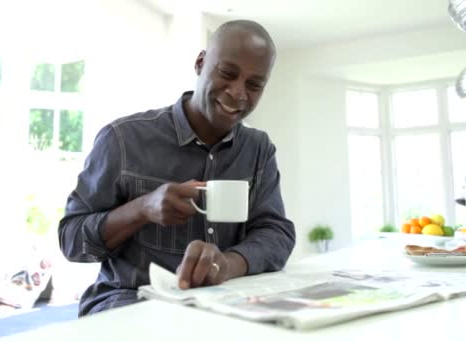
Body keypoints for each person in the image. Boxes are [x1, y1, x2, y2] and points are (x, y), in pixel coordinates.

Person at [58, 19, 296, 317]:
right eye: (227, 73)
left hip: (224, 303)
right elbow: (71, 240)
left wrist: (228, 264)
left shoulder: (258, 148)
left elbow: (276, 232)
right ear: (200, 63)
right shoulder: (122, 139)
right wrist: (142, 208)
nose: (238, 93)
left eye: (254, 84)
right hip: (131, 301)